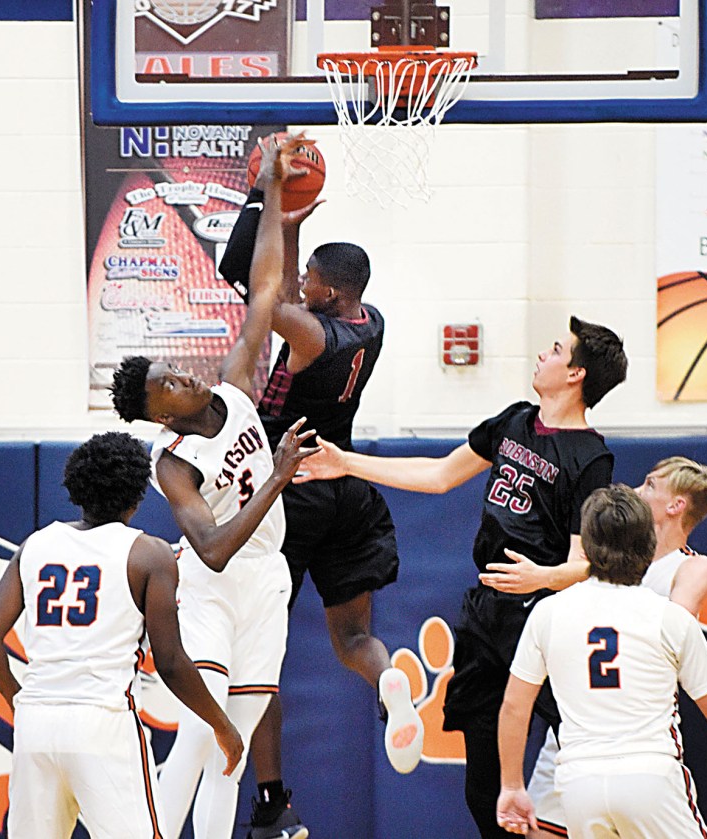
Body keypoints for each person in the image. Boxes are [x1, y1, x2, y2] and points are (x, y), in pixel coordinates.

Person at [296, 316, 628, 838]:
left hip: (543, 617)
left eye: (556, 349)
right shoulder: (514, 421)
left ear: (576, 374)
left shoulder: (591, 457)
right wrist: (348, 464)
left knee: (585, 752)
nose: (543, 353)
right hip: (487, 614)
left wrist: (541, 577)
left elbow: (585, 562)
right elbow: (439, 475)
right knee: (483, 787)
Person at [109, 135, 319, 839]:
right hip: (207, 586)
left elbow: (265, 290)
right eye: (167, 384)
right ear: (160, 415)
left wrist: (269, 187)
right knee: (203, 733)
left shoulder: (234, 387)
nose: (182, 375)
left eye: (173, 367)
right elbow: (214, 547)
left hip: (266, 580)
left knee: (235, 745)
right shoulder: (172, 461)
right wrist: (279, 477)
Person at [216, 139, 420, 837]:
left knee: (258, 657)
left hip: (292, 491)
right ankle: (388, 679)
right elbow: (286, 286)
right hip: (347, 484)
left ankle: (271, 799)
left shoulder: (310, 337)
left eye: (309, 277)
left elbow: (255, 284)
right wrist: (294, 226)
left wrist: (269, 196)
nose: (300, 280)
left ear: (328, 293)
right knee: (353, 634)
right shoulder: (371, 321)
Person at [0, 431, 244, 839]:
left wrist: (19, 701)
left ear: (77, 487)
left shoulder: (36, 545)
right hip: (104, 723)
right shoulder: (149, 554)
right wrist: (222, 725)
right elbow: (170, 662)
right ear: (137, 496)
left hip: (36, 724)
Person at [496, 485, 707, 838]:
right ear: (648, 548)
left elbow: (514, 707)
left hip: (580, 785)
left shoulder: (548, 613)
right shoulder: (668, 616)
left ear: (586, 549)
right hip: (649, 778)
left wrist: (512, 786)